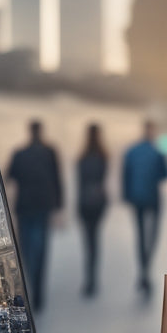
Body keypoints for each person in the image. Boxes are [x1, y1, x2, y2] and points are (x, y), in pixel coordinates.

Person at [7, 120, 63, 310]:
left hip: (24, 208)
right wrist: (59, 206)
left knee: (26, 251)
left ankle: (30, 289)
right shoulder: (50, 153)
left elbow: (9, 175)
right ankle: (38, 293)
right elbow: (57, 180)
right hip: (42, 207)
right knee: (41, 251)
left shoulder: (20, 153)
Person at [122, 119, 167, 297]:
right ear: (153, 131)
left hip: (137, 199)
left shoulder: (131, 151)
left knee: (140, 235)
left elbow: (125, 175)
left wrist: (126, 196)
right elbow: (165, 174)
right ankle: (146, 268)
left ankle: (143, 270)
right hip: (153, 199)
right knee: (153, 236)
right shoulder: (157, 151)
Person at [76, 123, 108, 297]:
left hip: (85, 204)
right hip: (98, 203)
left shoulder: (82, 157)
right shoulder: (103, 156)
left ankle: (89, 279)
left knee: (88, 242)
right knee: (95, 241)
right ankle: (93, 279)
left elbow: (80, 183)